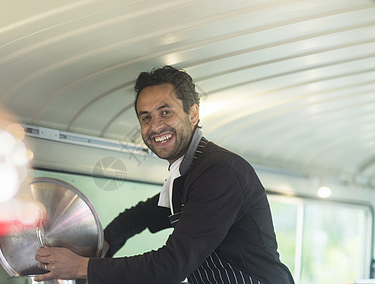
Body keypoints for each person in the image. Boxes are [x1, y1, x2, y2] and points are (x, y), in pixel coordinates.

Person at [35, 66, 295, 284]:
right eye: (146, 117)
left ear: (193, 114)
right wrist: (104, 245)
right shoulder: (187, 172)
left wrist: (83, 267)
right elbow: (139, 216)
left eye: (165, 112)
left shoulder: (219, 172)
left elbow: (172, 264)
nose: (155, 126)